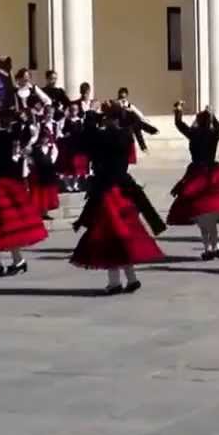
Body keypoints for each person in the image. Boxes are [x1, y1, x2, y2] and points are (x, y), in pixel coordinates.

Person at [70, 102, 166, 294]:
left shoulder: (104, 136)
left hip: (108, 192)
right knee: (123, 238)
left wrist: (92, 115)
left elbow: (86, 136)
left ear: (109, 119)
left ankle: (114, 282)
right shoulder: (125, 135)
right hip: (123, 190)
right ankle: (131, 279)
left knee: (108, 238)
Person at [0, 107, 49, 276]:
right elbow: (25, 129)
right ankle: (11, 261)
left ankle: (4, 263)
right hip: (4, 183)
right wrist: (22, 118)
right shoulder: (10, 135)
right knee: (4, 225)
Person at [166, 102, 219, 260]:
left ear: (198, 121)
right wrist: (212, 115)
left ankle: (208, 248)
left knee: (201, 214)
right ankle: (215, 246)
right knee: (210, 214)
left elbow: (179, 124)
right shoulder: (213, 133)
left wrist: (178, 110)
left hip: (196, 173)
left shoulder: (193, 133)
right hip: (213, 172)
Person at [29, 129, 62, 220]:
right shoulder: (35, 148)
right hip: (38, 172)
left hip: (48, 172)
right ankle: (38, 212)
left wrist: (50, 163)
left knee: (47, 192)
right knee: (39, 192)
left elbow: (54, 156)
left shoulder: (51, 147)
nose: (44, 139)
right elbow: (29, 158)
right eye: (43, 138)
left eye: (46, 138)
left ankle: (45, 212)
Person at [117, 87, 151, 163]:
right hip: (119, 126)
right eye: (121, 97)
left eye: (124, 97)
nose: (123, 99)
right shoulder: (116, 104)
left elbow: (137, 112)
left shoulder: (129, 105)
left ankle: (143, 147)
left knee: (137, 129)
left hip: (127, 126)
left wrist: (144, 119)